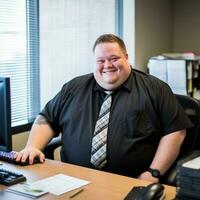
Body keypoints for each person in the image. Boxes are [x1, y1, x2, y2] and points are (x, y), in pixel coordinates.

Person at [15, 34, 192, 183]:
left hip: (131, 181)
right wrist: (32, 146)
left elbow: (175, 131)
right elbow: (47, 118)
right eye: (101, 60)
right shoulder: (73, 88)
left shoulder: (155, 89)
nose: (107, 65)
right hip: (71, 179)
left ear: (126, 58)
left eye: (114, 58)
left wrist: (154, 172)